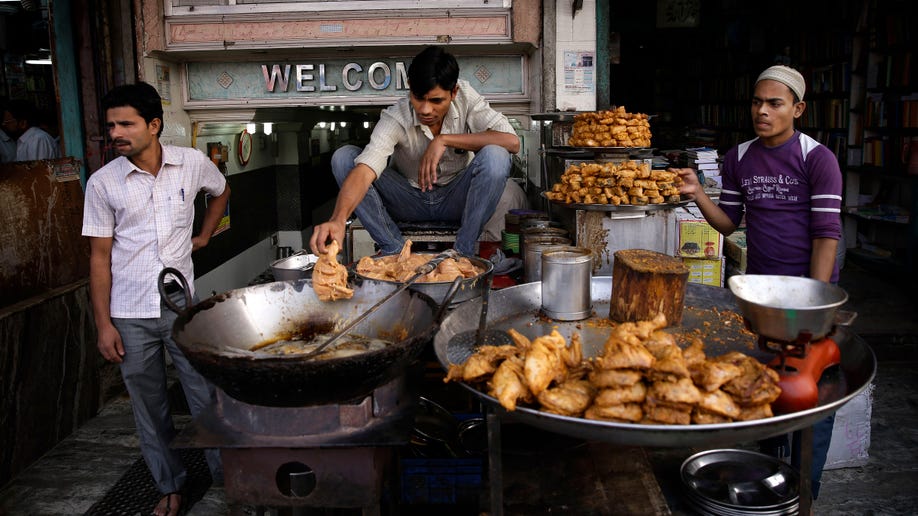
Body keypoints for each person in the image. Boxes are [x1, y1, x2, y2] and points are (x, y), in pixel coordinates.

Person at [676, 65, 842, 502]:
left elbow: (827, 235)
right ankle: (772, 483)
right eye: (757, 102)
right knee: (764, 390)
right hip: (762, 299)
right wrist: (697, 192)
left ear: (798, 109)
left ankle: (807, 492)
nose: (762, 111)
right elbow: (729, 225)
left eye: (774, 103)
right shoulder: (739, 157)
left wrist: (814, 304)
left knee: (811, 397)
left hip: (808, 297)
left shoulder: (817, 158)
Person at [81, 82, 229, 516]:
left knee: (205, 398)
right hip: (130, 314)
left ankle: (226, 479)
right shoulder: (103, 184)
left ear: (155, 124)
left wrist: (205, 233)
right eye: (111, 125)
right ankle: (171, 486)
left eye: (126, 123)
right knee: (150, 408)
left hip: (184, 309)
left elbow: (221, 191)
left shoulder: (192, 163)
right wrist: (103, 324)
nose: (117, 133)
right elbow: (98, 258)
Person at [309, 45, 521, 257]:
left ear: (454, 92)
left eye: (436, 101)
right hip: (408, 201)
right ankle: (394, 250)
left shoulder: (466, 98)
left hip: (456, 200)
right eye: (419, 98)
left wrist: (444, 140)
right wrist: (338, 219)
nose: (426, 110)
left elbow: (512, 142)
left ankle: (463, 252)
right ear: (410, 87)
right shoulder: (396, 116)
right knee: (344, 157)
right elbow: (365, 170)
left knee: (497, 155)